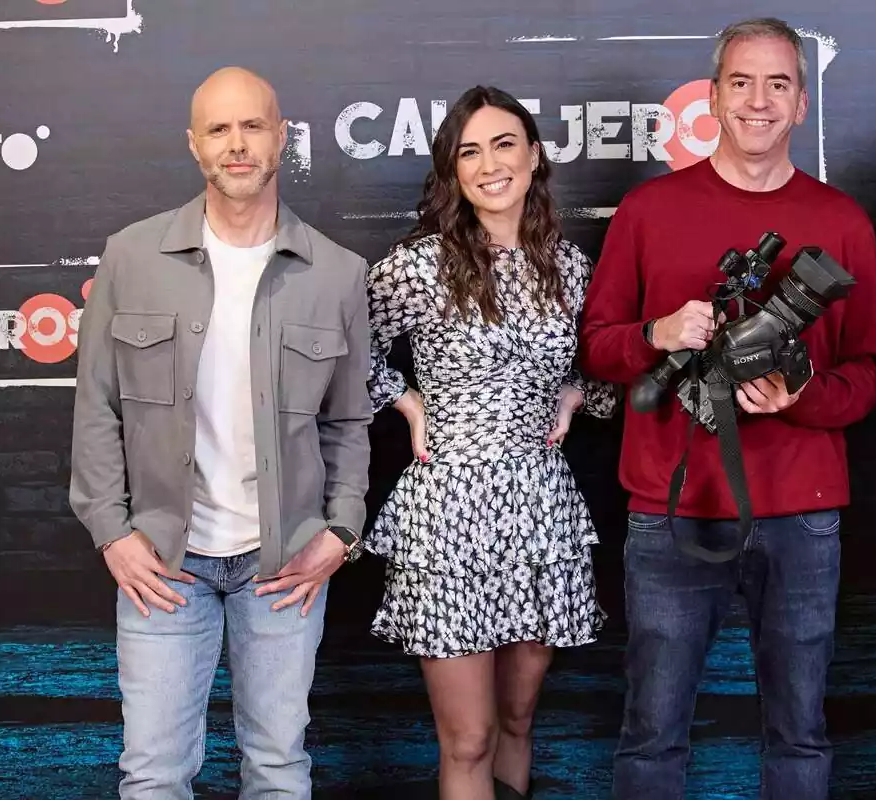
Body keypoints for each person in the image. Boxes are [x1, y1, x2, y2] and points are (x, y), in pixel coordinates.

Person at [578, 18, 876, 800]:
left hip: (804, 513)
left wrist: (802, 396)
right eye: (742, 82)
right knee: (652, 734)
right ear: (711, 98)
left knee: (800, 736)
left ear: (803, 103)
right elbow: (597, 346)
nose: (759, 101)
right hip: (671, 506)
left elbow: (869, 375)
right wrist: (659, 334)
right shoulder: (649, 211)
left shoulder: (842, 223)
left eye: (778, 83)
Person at [69, 66, 372, 798]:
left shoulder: (337, 272)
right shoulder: (132, 256)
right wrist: (113, 531)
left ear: (281, 137)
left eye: (253, 126)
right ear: (194, 145)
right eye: (219, 129)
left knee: (276, 768)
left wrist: (341, 528)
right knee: (153, 774)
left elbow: (350, 420)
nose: (237, 145)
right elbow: (96, 404)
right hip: (164, 565)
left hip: (287, 565)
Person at [363, 85, 616, 800]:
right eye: (468, 151)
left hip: (539, 511)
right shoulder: (416, 265)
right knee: (468, 737)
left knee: (517, 718)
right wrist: (408, 403)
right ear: (452, 171)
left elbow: (601, 381)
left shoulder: (568, 267)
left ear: (534, 156)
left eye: (504, 144)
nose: (489, 164)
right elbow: (346, 358)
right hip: (447, 513)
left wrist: (575, 393)